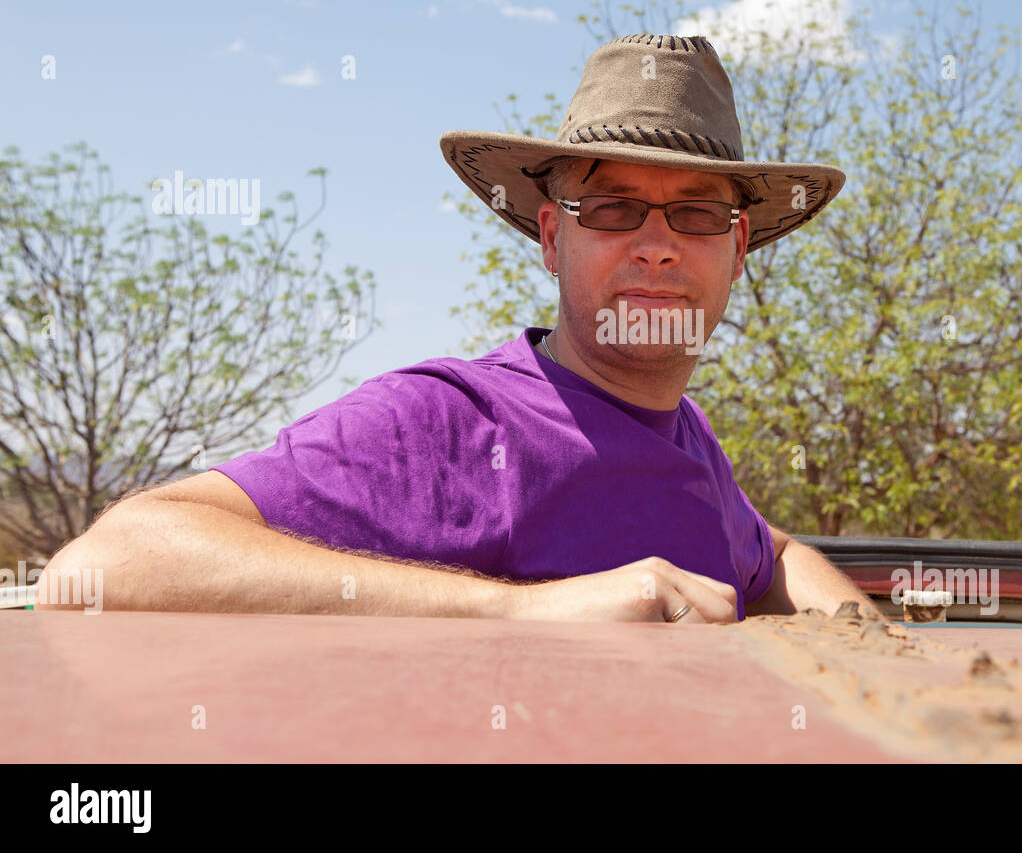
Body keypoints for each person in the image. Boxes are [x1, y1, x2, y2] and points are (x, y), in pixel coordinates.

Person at [39, 33, 874, 624]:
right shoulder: (451, 421)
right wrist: (518, 611)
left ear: (735, 251)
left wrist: (871, 642)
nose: (656, 247)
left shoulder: (689, 441)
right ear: (553, 236)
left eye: (695, 214)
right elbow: (106, 565)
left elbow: (771, 551)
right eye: (614, 207)